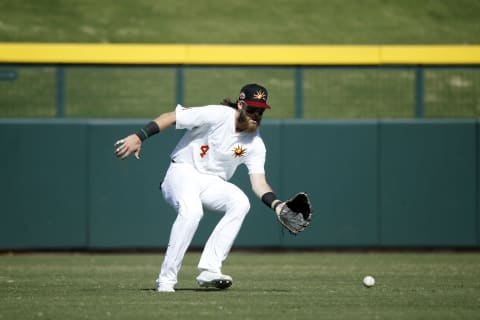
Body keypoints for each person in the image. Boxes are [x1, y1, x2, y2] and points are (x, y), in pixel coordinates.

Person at [114, 83, 286, 293]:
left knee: (240, 202)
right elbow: (171, 116)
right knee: (192, 212)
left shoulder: (255, 143)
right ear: (240, 105)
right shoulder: (218, 115)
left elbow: (259, 183)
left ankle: (210, 270)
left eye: (260, 111)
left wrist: (277, 205)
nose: (256, 115)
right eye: (251, 109)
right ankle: (166, 280)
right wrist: (139, 136)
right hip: (182, 172)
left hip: (212, 182)